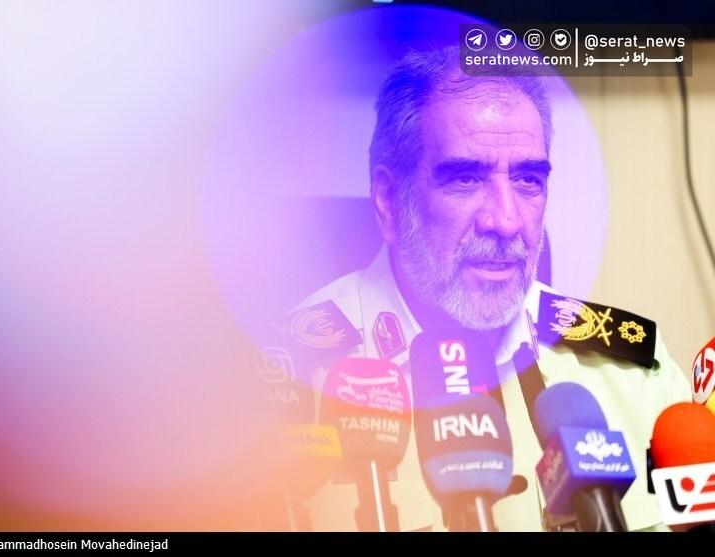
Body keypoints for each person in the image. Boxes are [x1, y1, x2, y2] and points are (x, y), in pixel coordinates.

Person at [274, 46, 690, 532]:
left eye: (528, 180)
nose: (506, 221)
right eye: (466, 178)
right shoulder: (284, 382)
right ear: (388, 200)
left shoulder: (631, 374)